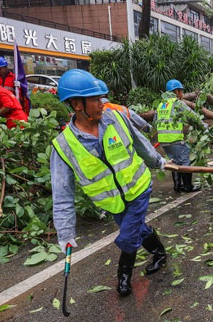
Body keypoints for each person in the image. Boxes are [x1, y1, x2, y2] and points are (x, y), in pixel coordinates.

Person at [50, 69, 168, 297]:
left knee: (129, 236)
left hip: (139, 188)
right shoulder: (63, 146)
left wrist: (157, 161)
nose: (103, 102)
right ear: (77, 104)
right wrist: (65, 234)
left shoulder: (115, 118)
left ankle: (123, 276)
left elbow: (140, 142)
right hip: (113, 202)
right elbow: (62, 194)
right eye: (95, 99)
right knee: (136, 229)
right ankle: (160, 253)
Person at [154, 79, 202, 193]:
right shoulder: (177, 103)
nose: (182, 94)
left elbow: (155, 122)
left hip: (163, 141)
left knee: (174, 162)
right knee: (185, 161)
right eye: (181, 91)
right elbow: (193, 116)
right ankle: (188, 186)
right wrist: (204, 126)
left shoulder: (161, 105)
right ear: (176, 91)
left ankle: (177, 186)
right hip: (175, 139)